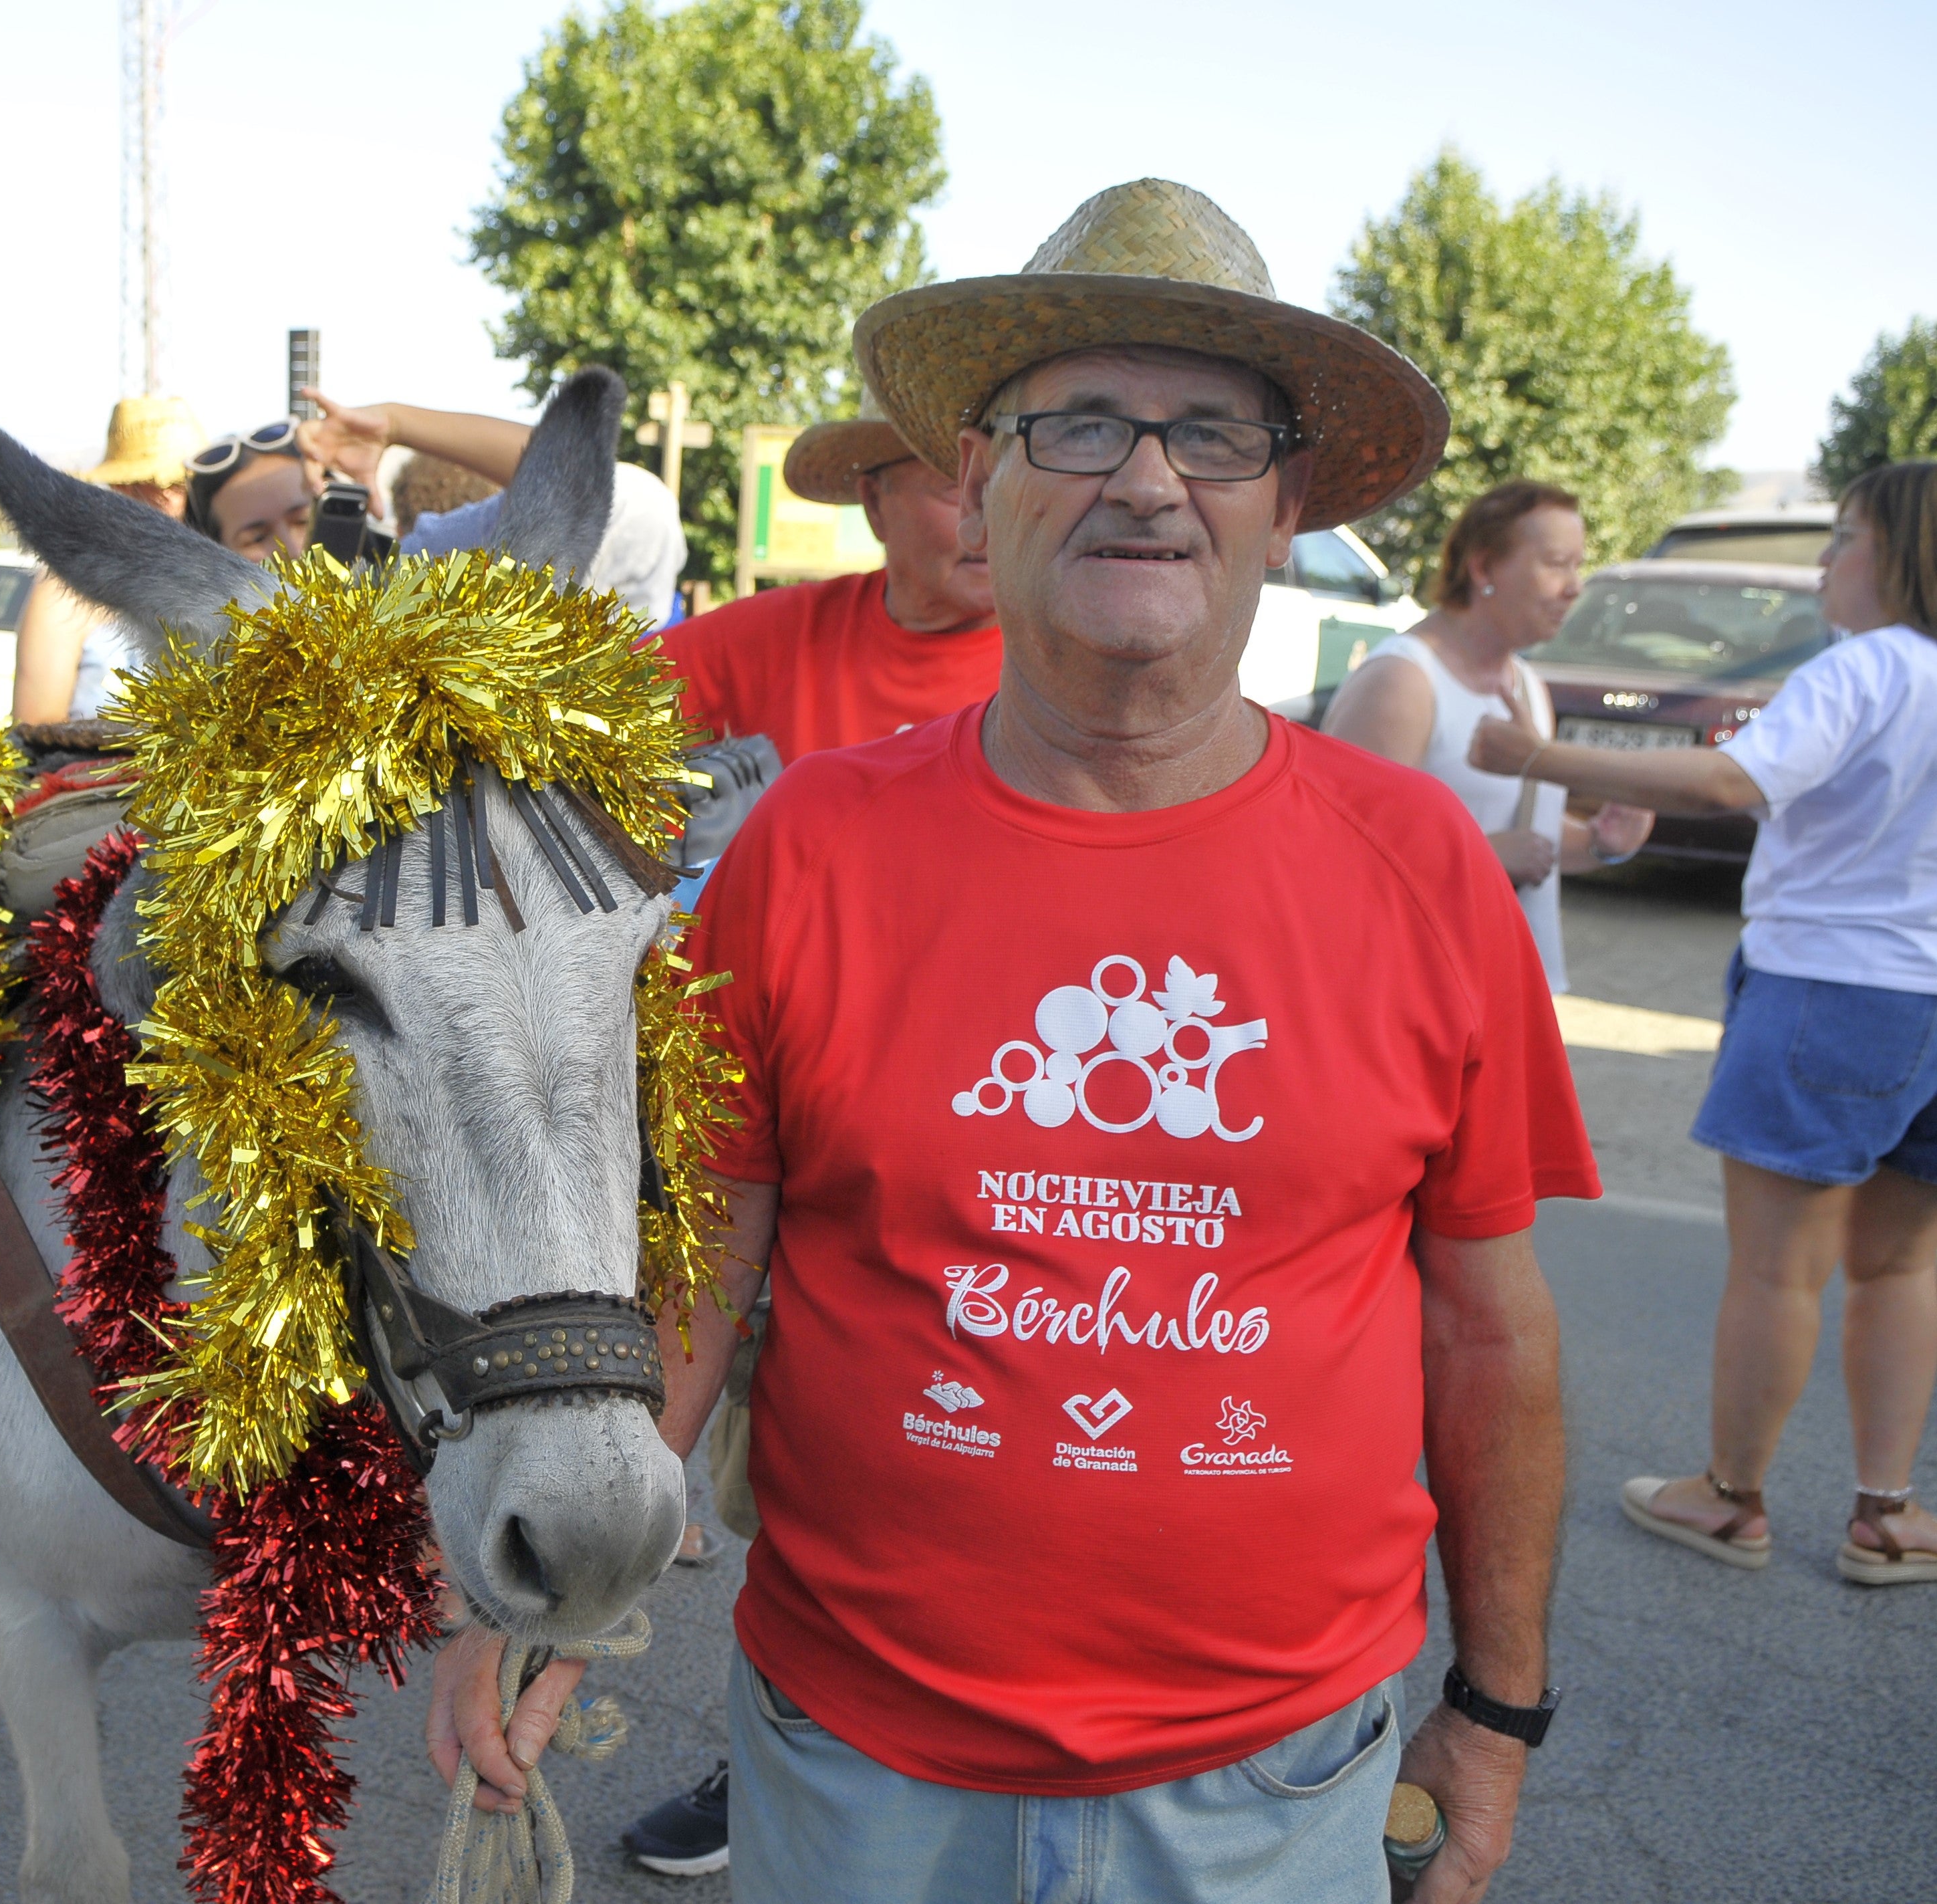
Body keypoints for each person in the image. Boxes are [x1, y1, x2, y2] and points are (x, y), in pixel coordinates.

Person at [431, 178, 1586, 1904]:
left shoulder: (1418, 867)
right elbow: (713, 1257)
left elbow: (1490, 1336)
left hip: (1273, 1782)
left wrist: (1494, 1712)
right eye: (1082, 422)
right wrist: (557, 1597)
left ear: (1285, 507)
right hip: (856, 1772)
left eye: (1212, 434)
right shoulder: (810, 845)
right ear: (982, 478)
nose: (1144, 476)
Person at [619, 383, 1005, 1879]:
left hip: (964, 1139)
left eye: (993, 481)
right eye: (939, 483)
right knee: (788, 1467)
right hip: (752, 1120)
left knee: (921, 1464)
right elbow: (579, 732)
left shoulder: (1062, 660)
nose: (974, 518)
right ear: (873, 500)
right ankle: (772, 1748)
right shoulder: (768, 642)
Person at [1470, 459, 1937, 1587]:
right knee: (1898, 1266)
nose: (1827, 561)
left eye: (1844, 537)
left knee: (1777, 1269)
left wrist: (1526, 754)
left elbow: (1732, 784)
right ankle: (1887, 1509)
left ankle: (1730, 1497)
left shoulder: (1863, 667)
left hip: (1826, 985)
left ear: (1897, 552)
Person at [1322, 479, 1653, 990]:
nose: (1574, 586)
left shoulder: (1526, 683)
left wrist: (1601, 844)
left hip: (1507, 992)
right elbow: (1339, 856)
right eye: (1556, 563)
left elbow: (1526, 837)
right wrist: (1483, 858)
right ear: (1483, 568)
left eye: (1577, 565)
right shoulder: (1404, 682)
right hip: (1421, 996)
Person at [661, 388, 1002, 764]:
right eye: (957, 488)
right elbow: (603, 696)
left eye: (1004, 484)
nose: (992, 517)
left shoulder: (1062, 666)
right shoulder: (787, 633)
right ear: (874, 504)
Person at [176, 389, 688, 624]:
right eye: (255, 537)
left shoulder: (408, 574)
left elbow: (626, 501)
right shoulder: (193, 643)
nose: (291, 549)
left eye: (302, 518)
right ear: (211, 551)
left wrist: (397, 424)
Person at [13, 394, 203, 723]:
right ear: (120, 488)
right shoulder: (64, 592)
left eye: (185, 485)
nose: (177, 500)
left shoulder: (222, 580)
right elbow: (35, 736)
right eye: (161, 485)